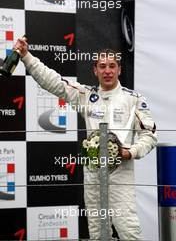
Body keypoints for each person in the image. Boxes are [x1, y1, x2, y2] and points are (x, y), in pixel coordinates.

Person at [14, 38, 157, 240]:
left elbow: (150, 135)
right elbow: (53, 81)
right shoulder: (86, 96)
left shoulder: (133, 99)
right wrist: (26, 57)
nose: (107, 71)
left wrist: (129, 152)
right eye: (102, 66)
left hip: (120, 174)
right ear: (95, 71)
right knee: (98, 233)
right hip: (92, 173)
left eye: (112, 66)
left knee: (129, 231)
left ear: (119, 70)